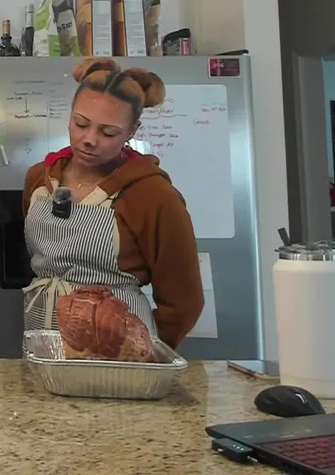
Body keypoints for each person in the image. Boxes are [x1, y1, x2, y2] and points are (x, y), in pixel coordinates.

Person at [21, 57, 203, 349]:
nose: (89, 139)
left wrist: (144, 350)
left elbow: (184, 301)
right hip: (43, 341)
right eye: (81, 123)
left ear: (132, 131)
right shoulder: (39, 180)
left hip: (118, 350)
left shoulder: (154, 195)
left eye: (108, 132)